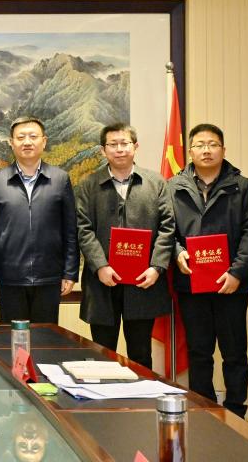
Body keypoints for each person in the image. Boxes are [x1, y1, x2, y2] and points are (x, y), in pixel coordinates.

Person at [168, 123, 248, 418]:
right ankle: (203, 409)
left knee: (234, 353)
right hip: (191, 283)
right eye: (200, 145)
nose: (206, 150)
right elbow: (166, 229)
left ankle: (236, 411)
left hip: (231, 284)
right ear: (190, 151)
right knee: (199, 352)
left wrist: (237, 273)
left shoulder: (241, 186)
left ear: (223, 149)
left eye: (212, 144)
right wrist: (177, 252)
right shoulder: (173, 186)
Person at [75, 123, 175, 369]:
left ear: (135, 146)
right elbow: (83, 229)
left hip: (143, 282)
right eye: (113, 144)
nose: (119, 149)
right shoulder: (89, 185)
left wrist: (156, 267)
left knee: (141, 354)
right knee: (102, 353)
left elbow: (167, 227)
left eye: (125, 143)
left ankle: (142, 395)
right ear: (103, 150)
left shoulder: (155, 183)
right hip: (102, 282)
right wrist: (100, 266)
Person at [0, 116, 78, 324]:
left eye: (33, 136)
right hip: (9, 278)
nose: (27, 142)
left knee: (45, 338)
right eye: (21, 137)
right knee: (13, 339)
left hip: (49, 276)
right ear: (11, 142)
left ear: (44, 141)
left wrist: (70, 273)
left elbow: (70, 230)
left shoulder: (60, 179)